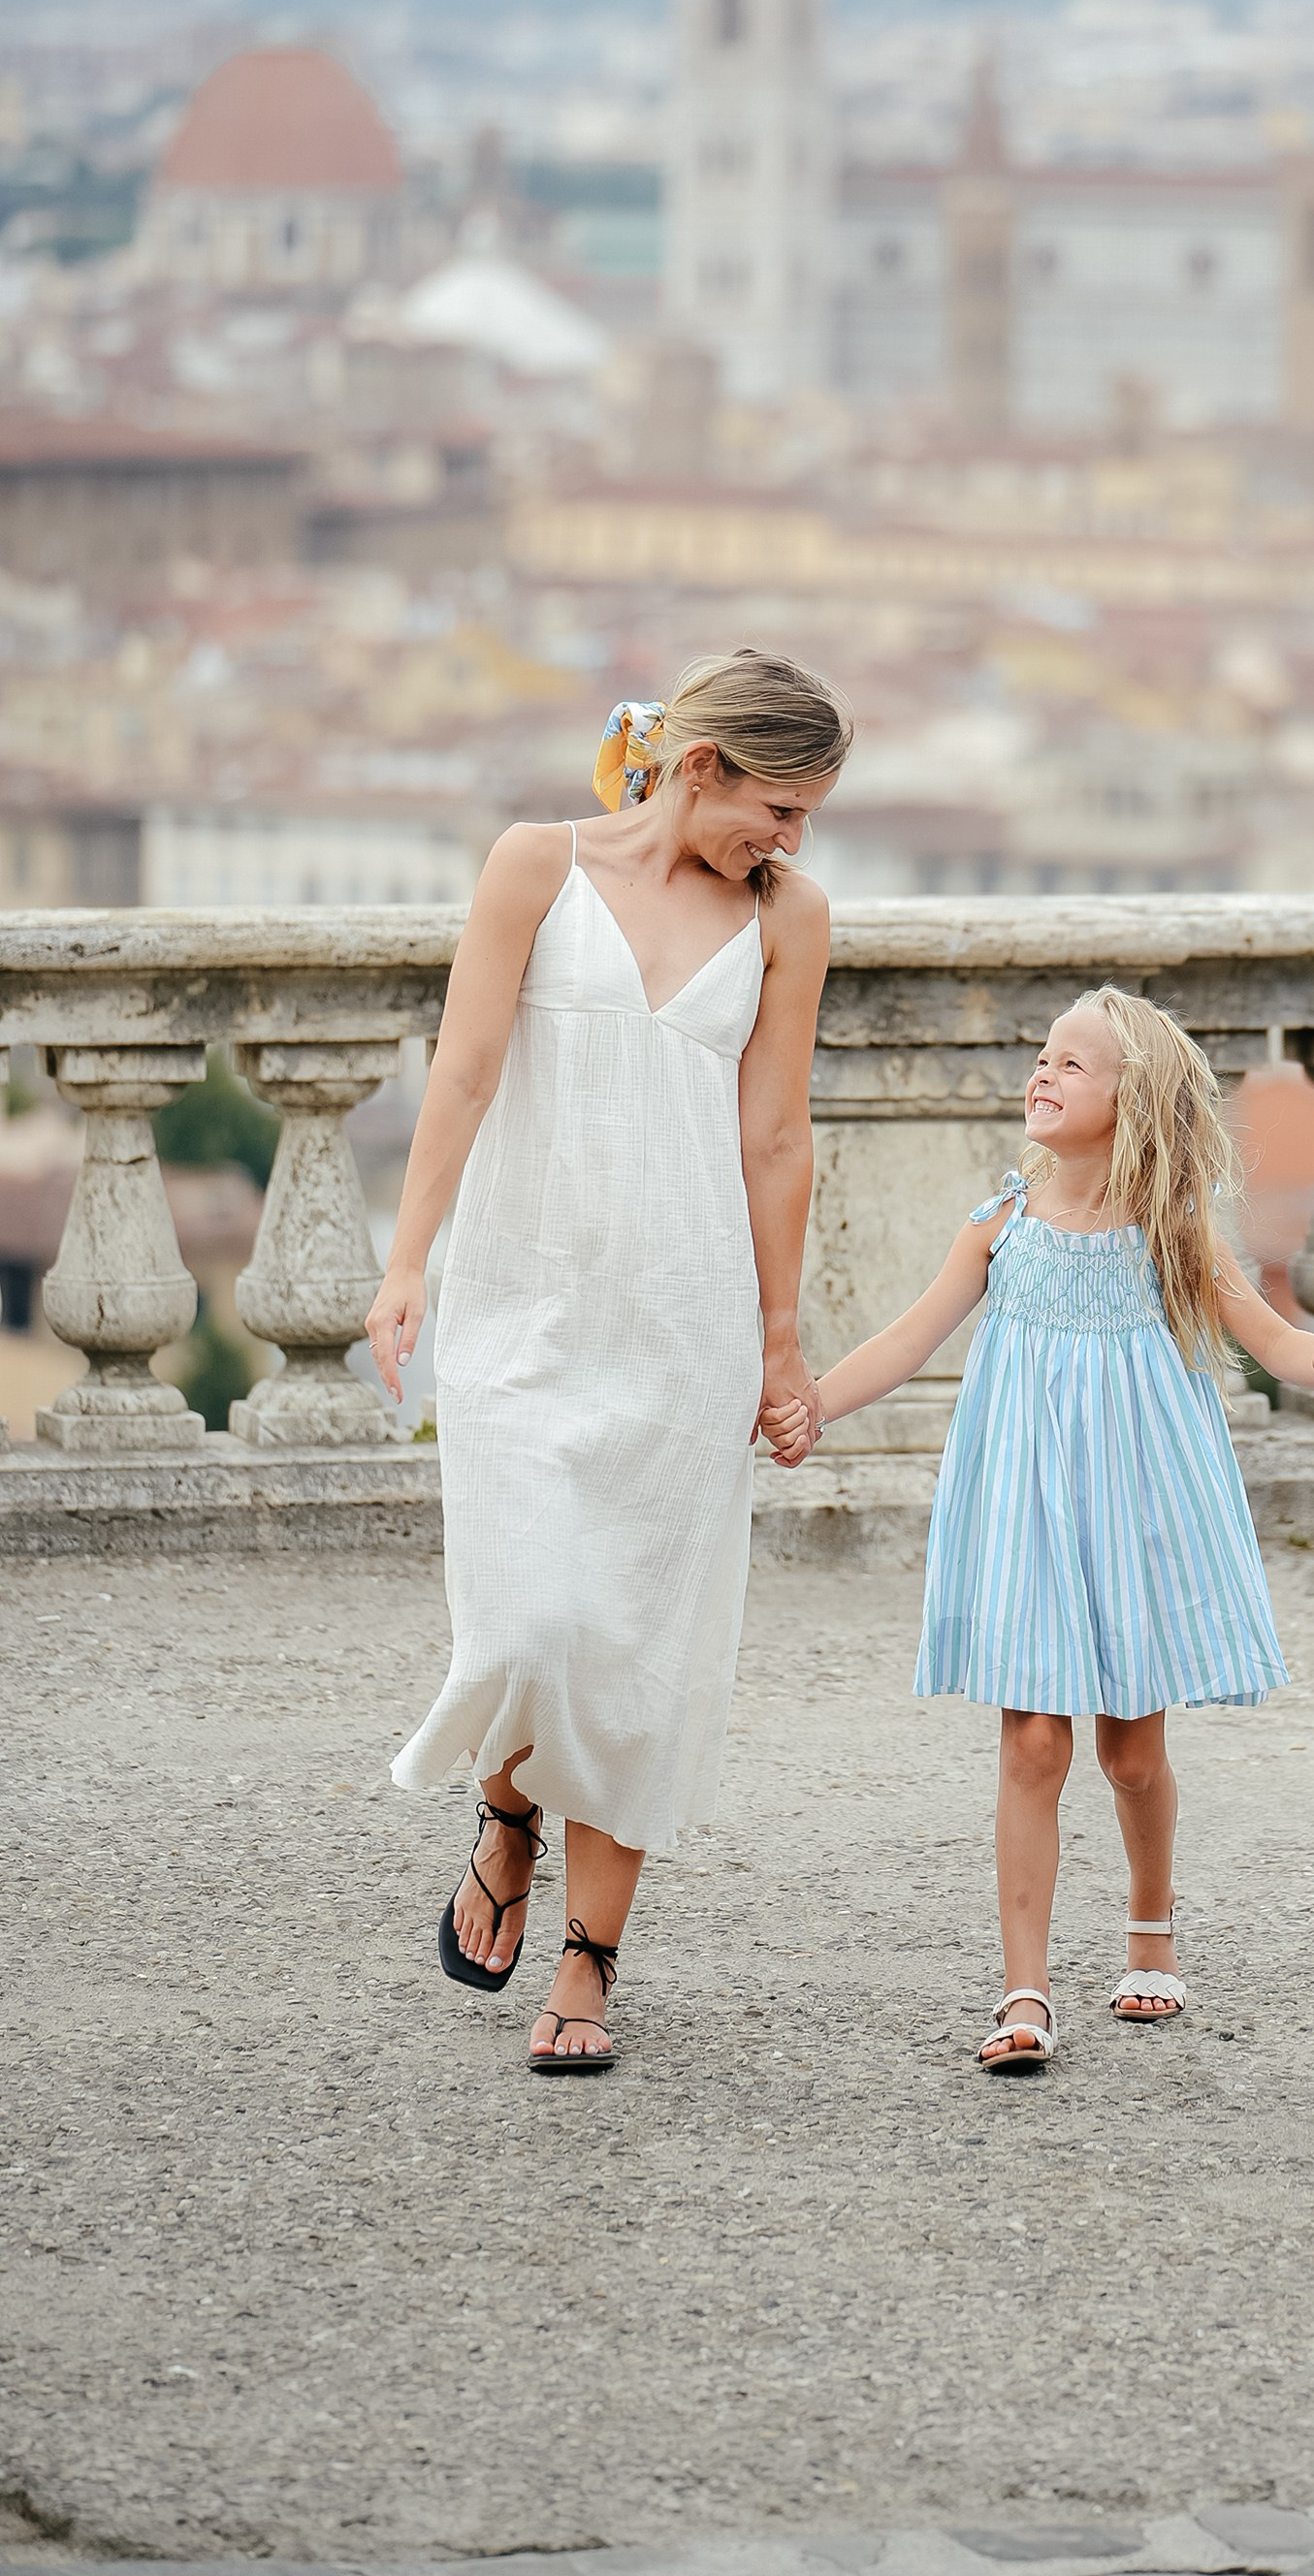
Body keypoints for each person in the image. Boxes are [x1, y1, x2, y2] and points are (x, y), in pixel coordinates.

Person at [373, 647, 850, 2074]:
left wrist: (778, 1342)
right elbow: (458, 1073)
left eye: (809, 817)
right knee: (529, 1630)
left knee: (639, 1653)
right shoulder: (534, 864)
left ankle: (586, 1968)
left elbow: (777, 1139)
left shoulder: (792, 919)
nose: (791, 840)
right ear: (700, 766)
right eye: (781, 806)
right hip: (522, 1308)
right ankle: (508, 1809)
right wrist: (409, 1265)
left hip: (687, 1326)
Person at [793, 988, 1314, 2074]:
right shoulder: (1001, 1224)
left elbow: (1272, 1340)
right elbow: (907, 1338)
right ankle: (1024, 1989)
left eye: (1071, 1065)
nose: (1041, 1075)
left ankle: (1150, 1921)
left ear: (1129, 1099)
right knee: (1034, 1742)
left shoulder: (1173, 1228)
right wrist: (810, 1402)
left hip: (1135, 1500)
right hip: (1025, 1503)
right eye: (1041, 1058)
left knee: (1131, 1754)